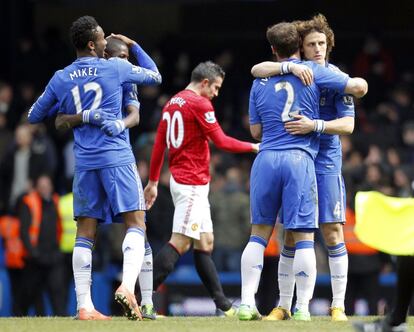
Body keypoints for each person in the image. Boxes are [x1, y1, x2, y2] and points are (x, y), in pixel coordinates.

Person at [27, 15, 161, 320]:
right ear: (92, 43)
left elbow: (35, 115)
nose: (105, 42)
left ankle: (84, 306)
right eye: (102, 39)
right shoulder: (115, 67)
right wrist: (133, 44)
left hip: (84, 163)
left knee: (85, 233)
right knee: (137, 223)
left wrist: (76, 114)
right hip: (116, 158)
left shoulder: (61, 77)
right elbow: (155, 77)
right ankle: (128, 287)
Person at [238, 21, 367, 321]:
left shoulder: (333, 77)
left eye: (322, 44)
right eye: (312, 45)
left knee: (333, 231)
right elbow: (258, 69)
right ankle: (284, 304)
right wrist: (289, 68)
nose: (318, 49)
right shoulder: (300, 72)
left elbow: (349, 123)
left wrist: (315, 126)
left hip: (325, 161)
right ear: (301, 48)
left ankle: (338, 305)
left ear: (329, 46)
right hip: (300, 160)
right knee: (291, 235)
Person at [144, 61, 259, 316]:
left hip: (186, 181)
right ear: (204, 82)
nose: (216, 94)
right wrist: (254, 147)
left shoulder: (172, 102)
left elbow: (158, 145)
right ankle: (142, 298)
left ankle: (224, 305)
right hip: (191, 183)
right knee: (181, 242)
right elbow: (221, 141)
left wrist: (153, 182)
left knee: (205, 242)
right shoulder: (200, 103)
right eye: (215, 88)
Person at [18, 174, 66, 316]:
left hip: (53, 255)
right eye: (41, 186)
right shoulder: (29, 202)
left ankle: (61, 319)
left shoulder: (57, 202)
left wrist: (58, 252)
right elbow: (23, 231)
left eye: (47, 186)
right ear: (37, 188)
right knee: (30, 293)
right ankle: (23, 317)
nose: (44, 189)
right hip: (35, 257)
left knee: (57, 292)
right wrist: (33, 252)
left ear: (51, 187)